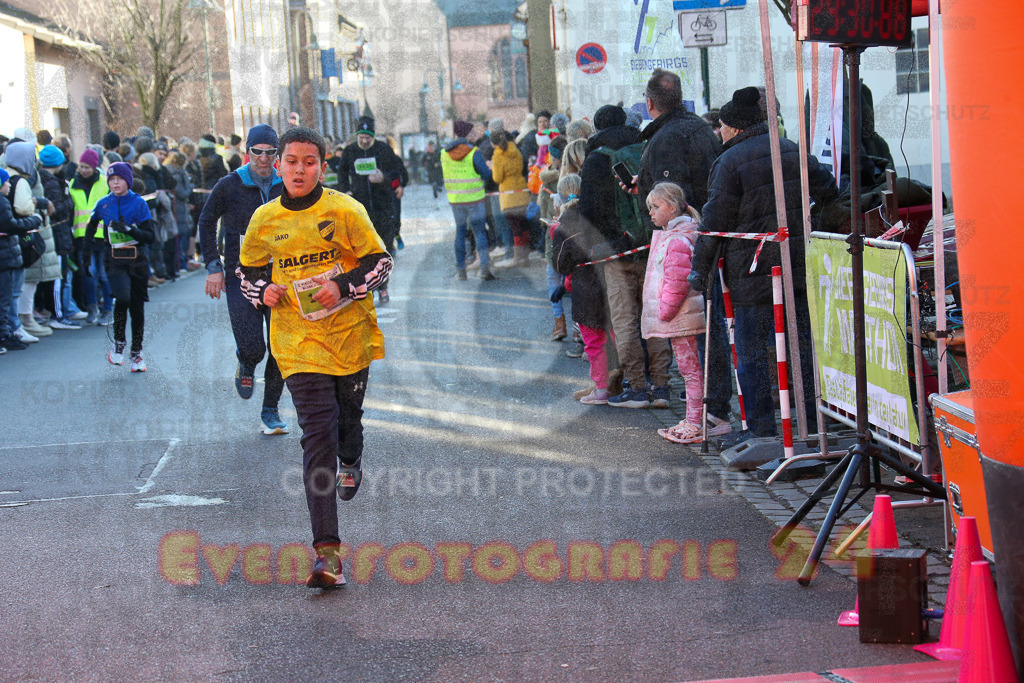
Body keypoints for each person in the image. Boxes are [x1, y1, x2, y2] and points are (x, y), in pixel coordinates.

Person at [237, 126, 393, 588]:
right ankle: (328, 554)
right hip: (296, 342)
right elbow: (246, 272)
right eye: (291, 161)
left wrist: (341, 286)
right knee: (317, 434)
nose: (299, 169)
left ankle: (353, 457)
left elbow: (380, 263)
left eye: (309, 162)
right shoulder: (264, 219)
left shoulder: (345, 209)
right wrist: (263, 290)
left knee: (347, 422)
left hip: (348, 336)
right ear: (277, 165)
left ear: (322, 167)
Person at [691, 86, 838, 439]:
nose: (720, 133)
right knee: (802, 347)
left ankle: (759, 429)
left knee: (752, 351)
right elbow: (829, 189)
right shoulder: (789, 149)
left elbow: (716, 220)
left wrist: (700, 269)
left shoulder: (729, 161)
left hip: (752, 272)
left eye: (723, 127)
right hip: (796, 266)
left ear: (737, 128)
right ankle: (812, 424)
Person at [199, 124, 289, 435]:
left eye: (270, 153)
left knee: (280, 347)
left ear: (277, 154)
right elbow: (207, 220)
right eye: (257, 152)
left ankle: (271, 410)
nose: (263, 159)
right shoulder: (230, 184)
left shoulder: (287, 183)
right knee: (254, 346)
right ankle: (247, 362)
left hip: (280, 275)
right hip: (240, 274)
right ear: (246, 152)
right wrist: (213, 265)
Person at [642, 182, 713, 443]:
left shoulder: (677, 240)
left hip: (681, 317)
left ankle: (695, 422)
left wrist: (664, 312)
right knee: (689, 369)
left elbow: (677, 280)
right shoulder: (678, 234)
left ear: (672, 208)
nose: (651, 212)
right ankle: (693, 418)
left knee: (690, 370)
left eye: (655, 206)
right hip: (681, 316)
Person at [84, 162, 156, 372]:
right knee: (122, 298)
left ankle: (137, 352)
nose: (115, 182)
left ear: (128, 181)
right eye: (111, 179)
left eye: (119, 179)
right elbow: (90, 228)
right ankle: (118, 344)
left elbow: (150, 237)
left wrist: (129, 230)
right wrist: (86, 256)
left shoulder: (138, 204)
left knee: (137, 306)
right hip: (114, 259)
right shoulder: (103, 204)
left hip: (137, 260)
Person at [336, 117, 404, 303]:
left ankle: (383, 287)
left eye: (368, 137)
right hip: (360, 209)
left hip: (383, 207)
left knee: (383, 249)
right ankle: (368, 288)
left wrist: (384, 178)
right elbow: (341, 173)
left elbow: (397, 172)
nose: (365, 140)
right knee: (363, 251)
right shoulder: (350, 151)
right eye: (362, 137)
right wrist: (345, 191)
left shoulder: (383, 149)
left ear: (373, 136)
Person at [441, 120, 495, 281]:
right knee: (479, 232)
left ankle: (461, 270)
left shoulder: (444, 153)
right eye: (472, 132)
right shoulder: (474, 152)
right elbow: (486, 174)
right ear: (466, 134)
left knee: (460, 233)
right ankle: (485, 268)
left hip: (456, 200)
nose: (474, 135)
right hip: (475, 199)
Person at [0, 167, 43, 352]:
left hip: (5, 255)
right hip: (5, 256)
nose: (9, 185)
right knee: (5, 297)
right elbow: (10, 225)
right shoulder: (2, 202)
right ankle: (4, 334)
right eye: (6, 182)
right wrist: (34, 220)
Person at [70, 148, 112, 326]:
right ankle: (92, 306)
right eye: (81, 166)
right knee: (88, 273)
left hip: (102, 236)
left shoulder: (104, 182)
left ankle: (108, 309)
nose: (84, 170)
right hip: (82, 237)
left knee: (103, 274)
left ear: (95, 167)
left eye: (87, 167)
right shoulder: (72, 184)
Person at [489, 130, 531, 270]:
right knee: (523, 225)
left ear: (494, 143)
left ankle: (518, 258)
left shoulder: (497, 155)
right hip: (521, 192)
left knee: (515, 227)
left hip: (508, 195)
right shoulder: (516, 150)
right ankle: (525, 257)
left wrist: (491, 167)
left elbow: (497, 178)